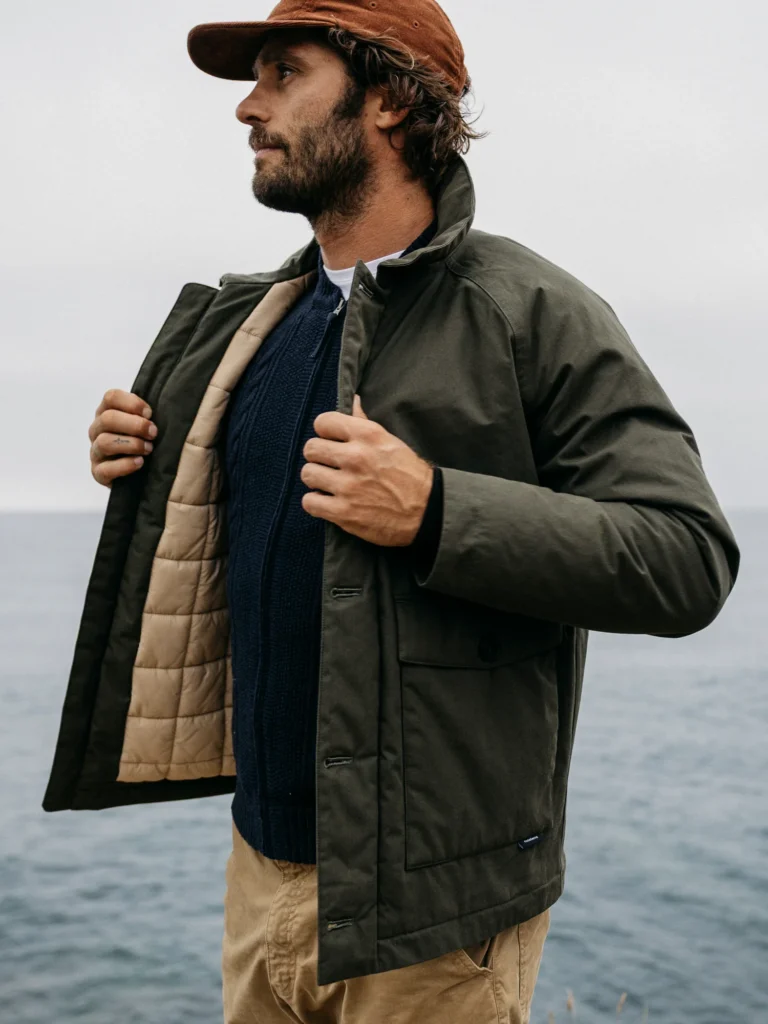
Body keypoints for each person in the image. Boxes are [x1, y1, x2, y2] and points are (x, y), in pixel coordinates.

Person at [44, 2, 740, 1022]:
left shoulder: (530, 310)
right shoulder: (248, 321)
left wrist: (437, 510)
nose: (248, 107)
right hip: (259, 873)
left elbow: (686, 558)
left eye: (285, 74)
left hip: (435, 918)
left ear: (390, 99)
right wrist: (143, 463)